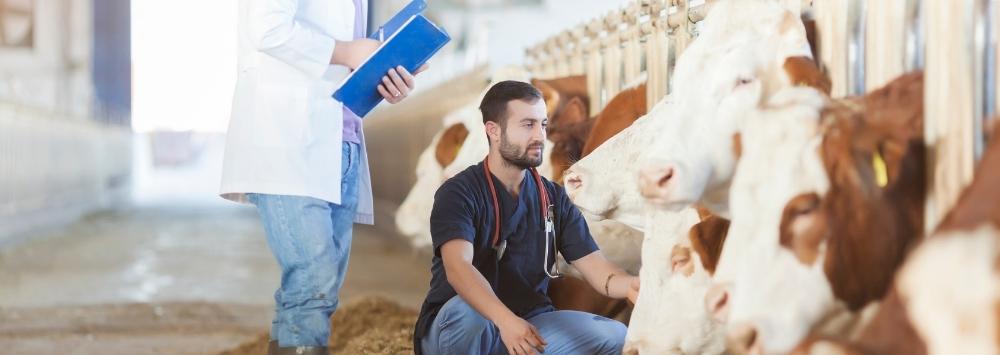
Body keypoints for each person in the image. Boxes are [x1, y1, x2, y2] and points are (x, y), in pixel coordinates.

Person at [219, 1, 422, 354]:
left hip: (341, 142)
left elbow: (345, 59)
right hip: (288, 136)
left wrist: (384, 76)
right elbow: (267, 27)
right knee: (313, 282)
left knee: (313, 291)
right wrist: (348, 51)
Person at [413, 81, 640, 355]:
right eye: (527, 125)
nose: (540, 136)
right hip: (461, 327)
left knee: (614, 334)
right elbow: (458, 268)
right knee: (470, 314)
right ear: (493, 131)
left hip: (528, 322)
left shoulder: (553, 198)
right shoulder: (459, 192)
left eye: (543, 125)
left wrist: (630, 285)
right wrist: (505, 320)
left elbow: (599, 270)